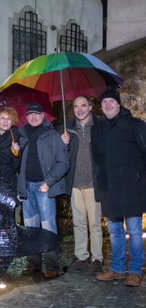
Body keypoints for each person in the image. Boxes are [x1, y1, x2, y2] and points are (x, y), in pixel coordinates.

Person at [92, 89, 146, 287]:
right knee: (114, 231)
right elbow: (96, 155)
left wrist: (139, 178)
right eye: (104, 102)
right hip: (109, 187)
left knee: (133, 230)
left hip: (131, 187)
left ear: (118, 104)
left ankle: (135, 271)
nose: (107, 105)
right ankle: (117, 268)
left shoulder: (135, 125)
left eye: (111, 101)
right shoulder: (98, 128)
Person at [17, 102, 69, 278]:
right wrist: (20, 187)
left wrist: (48, 182)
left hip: (43, 187)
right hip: (27, 189)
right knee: (30, 228)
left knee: (47, 227)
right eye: (30, 114)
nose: (33, 117)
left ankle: (52, 266)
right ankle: (34, 264)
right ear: (26, 117)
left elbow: (63, 162)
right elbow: (20, 167)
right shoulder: (22, 135)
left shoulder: (52, 135)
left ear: (43, 116)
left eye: (37, 114)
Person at [61, 95, 103, 273]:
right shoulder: (68, 128)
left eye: (83, 105)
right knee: (78, 223)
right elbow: (62, 156)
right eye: (76, 106)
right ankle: (81, 257)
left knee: (94, 223)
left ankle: (97, 258)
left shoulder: (100, 127)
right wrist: (64, 144)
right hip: (75, 182)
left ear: (90, 107)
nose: (80, 109)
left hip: (93, 182)